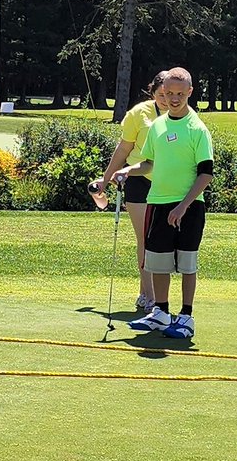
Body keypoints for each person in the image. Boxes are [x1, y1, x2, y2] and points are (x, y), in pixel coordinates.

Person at [114, 68, 214, 339]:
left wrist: (182, 206)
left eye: (179, 94)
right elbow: (148, 163)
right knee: (158, 262)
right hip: (157, 202)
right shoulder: (157, 126)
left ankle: (186, 317)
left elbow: (206, 173)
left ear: (190, 93)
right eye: (168, 93)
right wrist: (127, 170)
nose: (173, 98)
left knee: (186, 264)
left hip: (189, 207)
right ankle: (160, 312)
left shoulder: (197, 129)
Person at [91, 70, 169, 311]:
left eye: (170, 94)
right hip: (138, 179)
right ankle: (149, 295)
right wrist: (105, 180)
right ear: (152, 92)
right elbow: (123, 149)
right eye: (161, 94)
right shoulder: (139, 113)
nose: (167, 100)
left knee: (163, 241)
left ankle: (149, 293)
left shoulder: (183, 114)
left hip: (168, 183)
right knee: (145, 238)